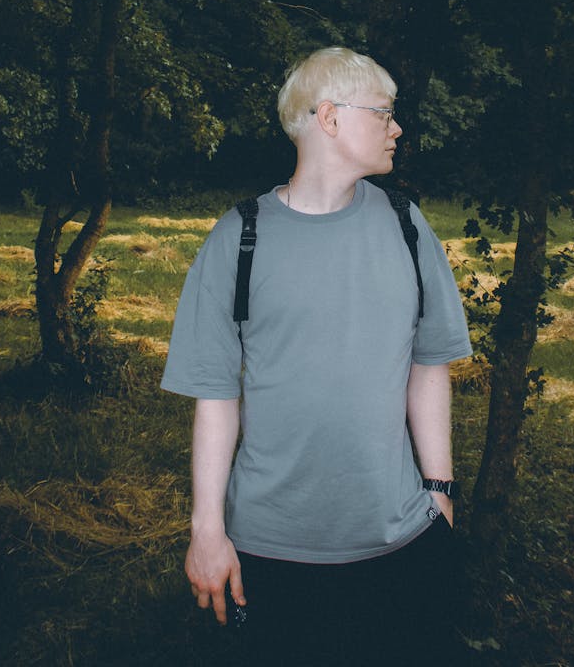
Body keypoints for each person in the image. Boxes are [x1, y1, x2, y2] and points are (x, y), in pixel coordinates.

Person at [161, 47, 472, 665]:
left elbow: (429, 366)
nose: (398, 128)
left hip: (400, 539)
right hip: (269, 551)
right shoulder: (239, 238)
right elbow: (216, 399)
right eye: (384, 113)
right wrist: (207, 530)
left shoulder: (409, 227)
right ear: (329, 118)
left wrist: (439, 492)